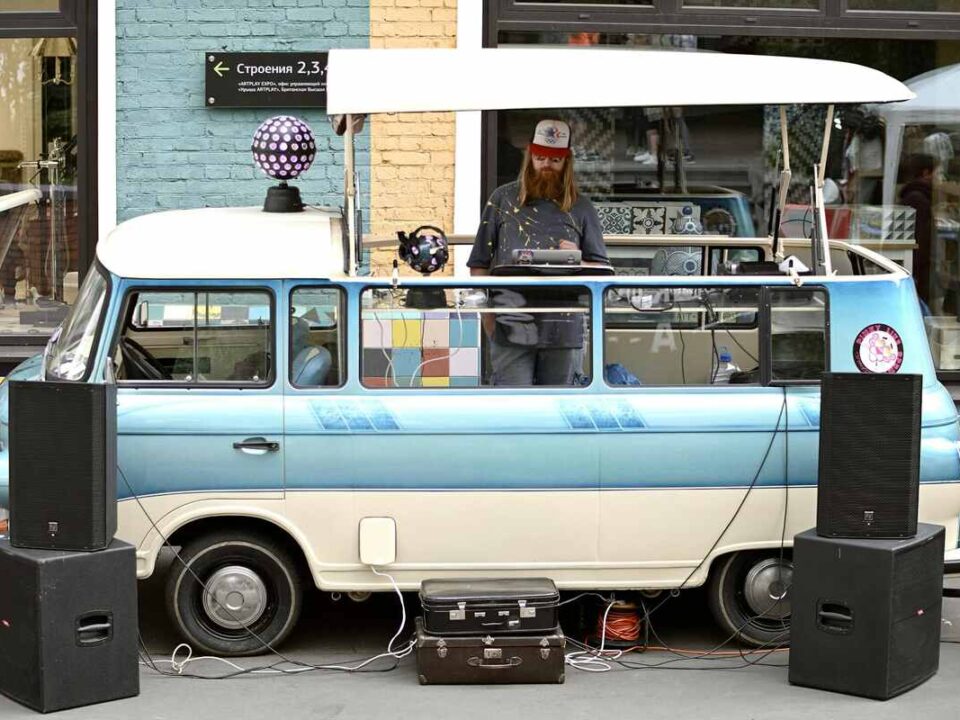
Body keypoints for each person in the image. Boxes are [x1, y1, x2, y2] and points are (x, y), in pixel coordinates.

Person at [468, 119, 610, 386]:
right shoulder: (502, 200)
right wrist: (488, 319)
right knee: (514, 408)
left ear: (566, 163)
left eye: (554, 160)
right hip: (509, 323)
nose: (546, 165)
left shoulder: (582, 208)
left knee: (562, 409)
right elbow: (479, 264)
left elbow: (602, 273)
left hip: (566, 327)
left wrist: (578, 257)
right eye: (540, 157)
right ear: (529, 157)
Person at [899, 153, 937, 308]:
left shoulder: (915, 195)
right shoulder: (918, 198)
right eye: (936, 172)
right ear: (926, 173)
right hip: (918, 265)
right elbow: (919, 235)